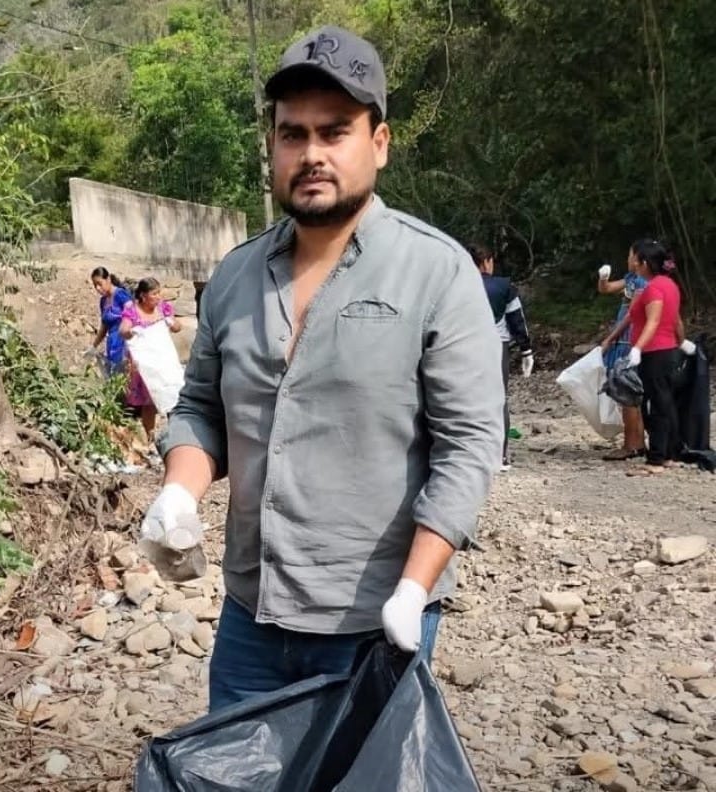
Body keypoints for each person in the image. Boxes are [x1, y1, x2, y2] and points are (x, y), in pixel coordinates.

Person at [141, 26, 504, 712]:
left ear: (380, 143)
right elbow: (201, 411)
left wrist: (413, 589)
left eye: (335, 131)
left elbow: (468, 446)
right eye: (293, 134)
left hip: (376, 622)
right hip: (253, 617)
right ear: (273, 146)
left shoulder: (437, 272)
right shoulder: (235, 278)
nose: (312, 153)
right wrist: (178, 494)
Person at [606, 239, 690, 476]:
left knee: (656, 405)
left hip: (656, 351)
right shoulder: (669, 285)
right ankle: (668, 454)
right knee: (664, 403)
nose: (630, 260)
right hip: (667, 350)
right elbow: (675, 320)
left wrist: (637, 348)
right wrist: (682, 342)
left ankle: (656, 460)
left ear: (643, 262)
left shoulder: (653, 288)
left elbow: (653, 321)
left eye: (633, 256)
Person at [468, 244, 535, 471]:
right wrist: (526, 350)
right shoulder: (504, 287)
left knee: (465, 399)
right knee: (498, 399)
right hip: (497, 345)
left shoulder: (457, 285)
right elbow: (517, 319)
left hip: (463, 346)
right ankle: (500, 456)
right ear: (487, 261)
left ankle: (469, 455)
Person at [597, 243, 648, 459]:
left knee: (627, 390)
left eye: (630, 255)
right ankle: (637, 441)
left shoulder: (643, 282)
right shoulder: (630, 278)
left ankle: (631, 444)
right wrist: (602, 278)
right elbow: (606, 289)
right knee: (629, 392)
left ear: (639, 259)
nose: (627, 258)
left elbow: (631, 315)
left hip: (629, 339)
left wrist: (610, 337)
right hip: (624, 339)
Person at [119, 277, 182, 442]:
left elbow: (177, 327)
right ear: (143, 296)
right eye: (154, 293)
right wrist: (133, 331)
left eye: (158, 292)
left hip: (163, 361)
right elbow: (123, 330)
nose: (158, 296)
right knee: (150, 401)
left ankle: (176, 435)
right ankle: (151, 437)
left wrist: (170, 322)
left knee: (170, 393)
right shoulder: (132, 310)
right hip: (145, 365)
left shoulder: (162, 309)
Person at [88, 266, 132, 378]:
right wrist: (94, 346)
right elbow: (104, 326)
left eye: (99, 283)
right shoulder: (103, 301)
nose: (97, 288)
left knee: (124, 378)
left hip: (124, 344)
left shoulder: (121, 295)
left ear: (108, 279)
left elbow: (133, 316)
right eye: (95, 285)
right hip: (112, 344)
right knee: (113, 378)